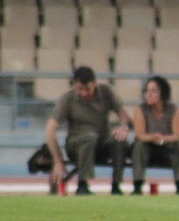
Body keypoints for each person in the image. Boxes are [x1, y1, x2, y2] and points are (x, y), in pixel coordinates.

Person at [46, 66, 132, 195]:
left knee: (120, 140)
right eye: (80, 89)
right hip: (77, 145)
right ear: (74, 85)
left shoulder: (106, 92)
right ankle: (82, 184)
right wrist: (58, 161)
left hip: (101, 143)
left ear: (95, 83)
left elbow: (124, 115)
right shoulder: (67, 99)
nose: (84, 93)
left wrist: (123, 127)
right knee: (90, 137)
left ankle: (116, 185)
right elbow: (50, 130)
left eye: (88, 89)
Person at [131, 76, 179, 195]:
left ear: (162, 93)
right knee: (139, 146)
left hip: (166, 148)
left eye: (153, 91)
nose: (149, 94)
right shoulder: (141, 109)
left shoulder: (172, 109)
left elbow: (178, 135)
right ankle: (137, 186)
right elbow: (140, 135)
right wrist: (153, 137)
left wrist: (163, 139)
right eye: (147, 91)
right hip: (148, 149)